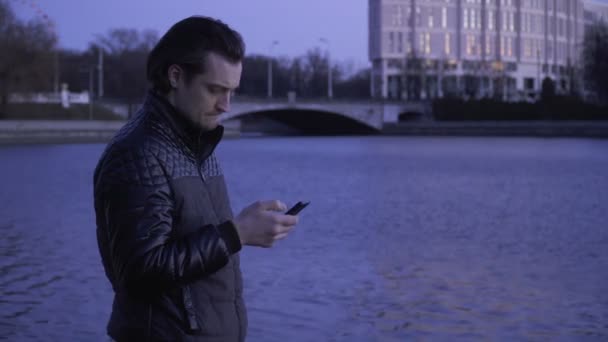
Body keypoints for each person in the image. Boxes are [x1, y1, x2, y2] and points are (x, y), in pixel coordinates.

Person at [93, 16, 299, 342]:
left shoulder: (197, 143)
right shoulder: (137, 154)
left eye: (232, 91)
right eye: (215, 90)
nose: (227, 105)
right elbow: (139, 273)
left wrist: (244, 231)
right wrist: (237, 233)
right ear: (176, 76)